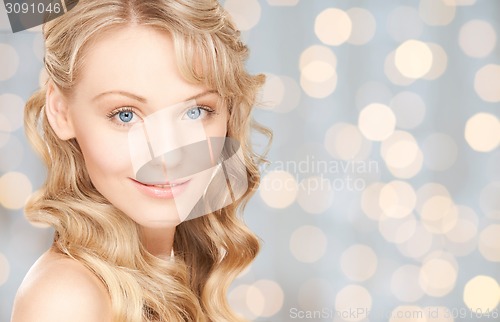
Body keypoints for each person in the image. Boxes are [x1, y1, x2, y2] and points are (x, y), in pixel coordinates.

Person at [11, 0, 271, 321]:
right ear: (61, 112)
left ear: (228, 113)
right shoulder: (66, 299)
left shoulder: (177, 270)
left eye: (194, 112)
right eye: (126, 115)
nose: (167, 156)